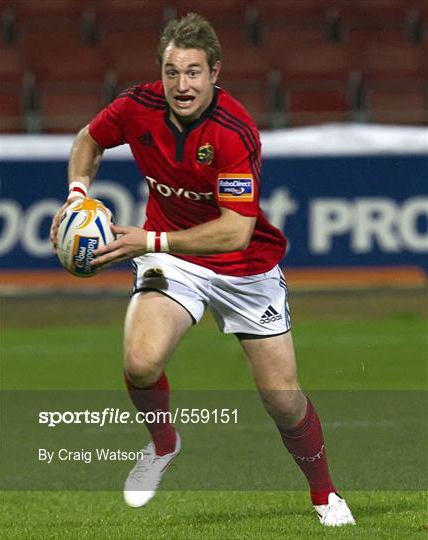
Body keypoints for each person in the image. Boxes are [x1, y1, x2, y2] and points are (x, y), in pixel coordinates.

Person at [50, 12, 355, 527]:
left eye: (193, 72)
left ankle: (324, 495)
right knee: (141, 361)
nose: (182, 84)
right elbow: (88, 139)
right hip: (172, 258)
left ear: (215, 72)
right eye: (172, 72)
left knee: (281, 398)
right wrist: (79, 191)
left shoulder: (234, 132)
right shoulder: (137, 106)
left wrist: (147, 238)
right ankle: (163, 444)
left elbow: (235, 230)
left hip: (244, 267)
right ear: (161, 74)